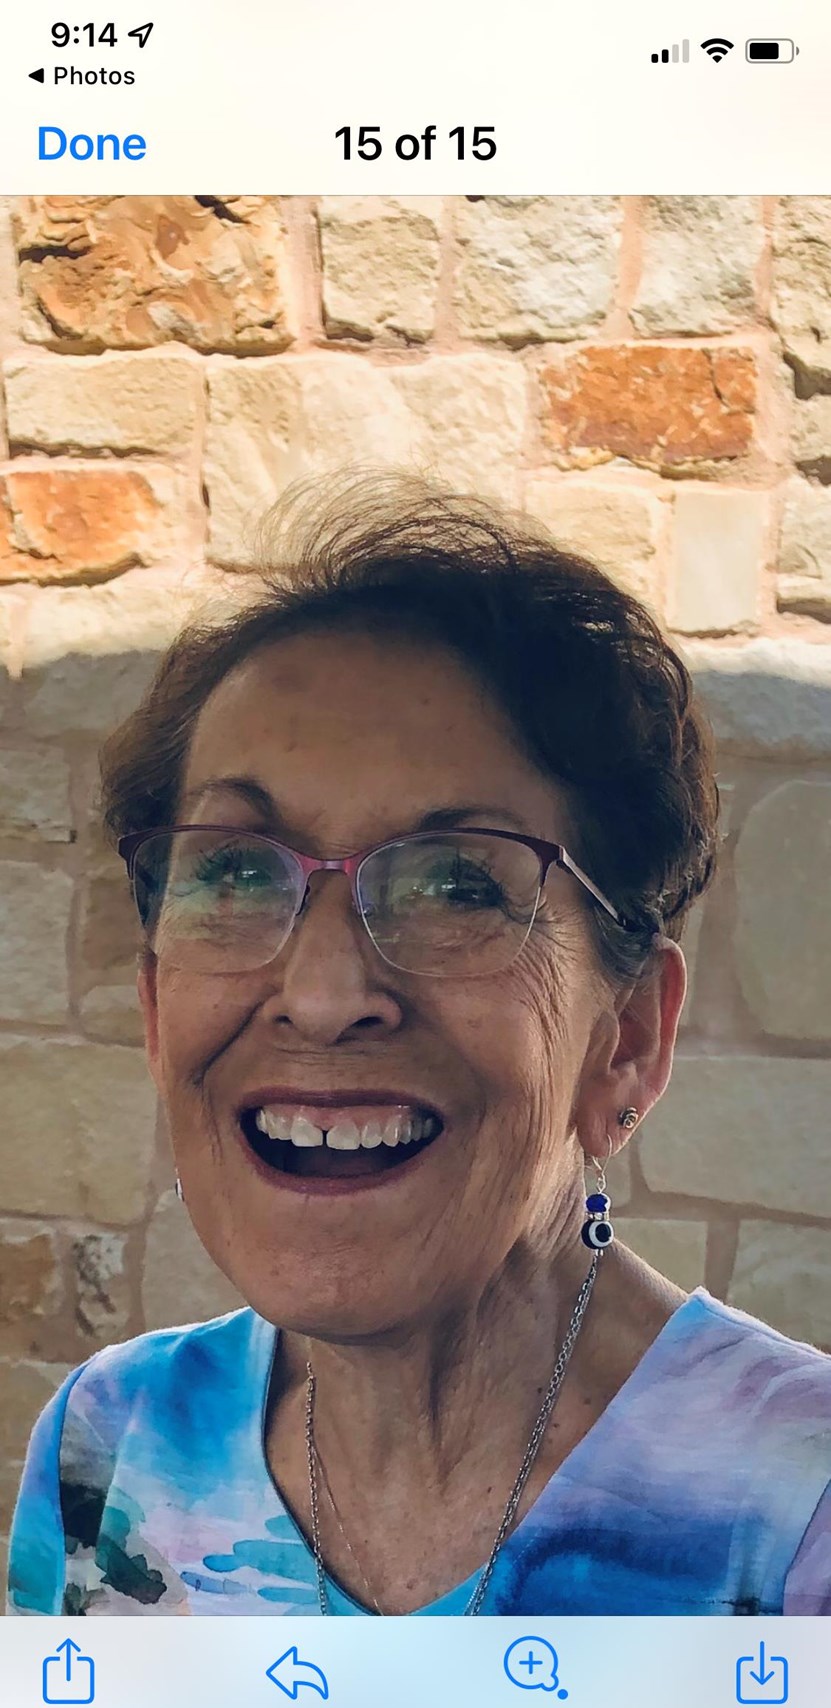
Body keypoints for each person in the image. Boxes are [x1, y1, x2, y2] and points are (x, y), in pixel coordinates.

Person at [6, 472, 830, 1617]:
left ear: (629, 1038)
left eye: (457, 886)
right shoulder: (110, 1449)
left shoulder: (799, 1511)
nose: (324, 994)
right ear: (155, 1012)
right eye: (235, 872)